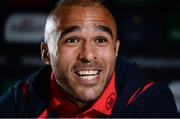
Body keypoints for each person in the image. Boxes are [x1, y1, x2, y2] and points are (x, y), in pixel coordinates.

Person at [0, 0, 178, 118]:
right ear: (46, 53)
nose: (87, 55)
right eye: (73, 40)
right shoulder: (21, 102)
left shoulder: (150, 101)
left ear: (115, 50)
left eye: (100, 40)